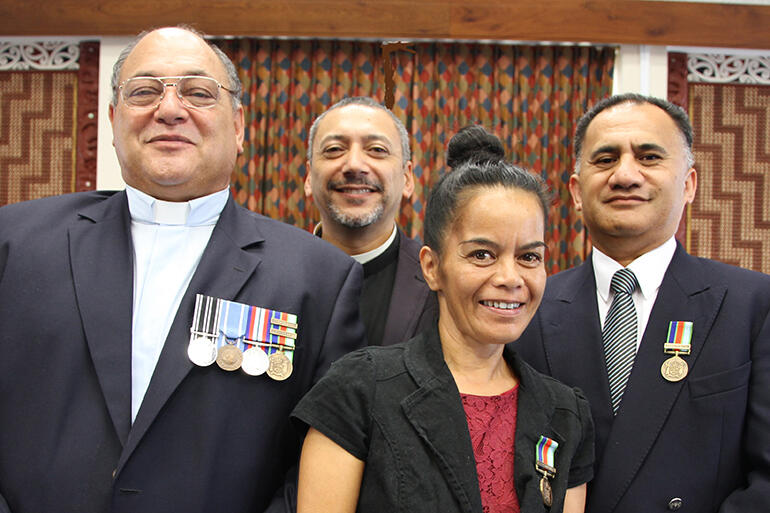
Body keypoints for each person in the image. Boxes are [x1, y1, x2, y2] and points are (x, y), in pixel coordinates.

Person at [0, 27, 365, 513]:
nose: (169, 110)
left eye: (197, 93)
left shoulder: (318, 279)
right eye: (144, 91)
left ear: (238, 126)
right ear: (112, 120)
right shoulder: (16, 243)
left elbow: (319, 464)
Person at [293, 156, 595, 513]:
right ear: (432, 268)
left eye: (529, 257)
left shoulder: (565, 413)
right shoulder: (359, 389)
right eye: (482, 255)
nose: (511, 278)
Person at [516, 94, 770, 513]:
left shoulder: (753, 306)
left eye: (649, 157)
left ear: (689, 184)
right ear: (577, 192)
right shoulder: (529, 309)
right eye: (605, 159)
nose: (625, 175)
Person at [304, 97, 435, 346]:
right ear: (309, 177)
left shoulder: (443, 286)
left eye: (377, 150)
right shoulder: (270, 276)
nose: (354, 165)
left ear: (407, 179)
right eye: (334, 150)